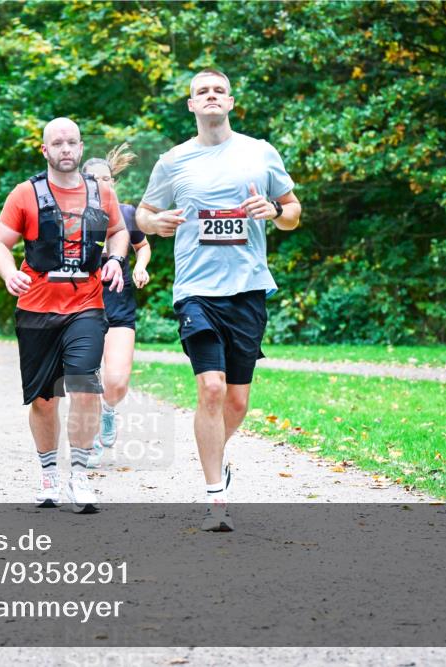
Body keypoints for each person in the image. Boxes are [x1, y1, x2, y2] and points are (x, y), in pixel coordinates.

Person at [136, 69, 302, 531]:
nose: (210, 96)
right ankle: (215, 500)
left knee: (236, 403)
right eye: (201, 92)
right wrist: (156, 224)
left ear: (231, 101)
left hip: (247, 288)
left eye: (218, 91)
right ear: (191, 105)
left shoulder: (259, 152)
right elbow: (144, 215)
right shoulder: (173, 161)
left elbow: (292, 212)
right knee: (210, 388)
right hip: (195, 292)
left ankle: (216, 455)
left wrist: (274, 212)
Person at [0, 117, 129, 513]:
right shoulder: (25, 194)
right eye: (57, 143)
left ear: (80, 148)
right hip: (36, 307)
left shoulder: (102, 193)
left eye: (72, 142)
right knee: (45, 400)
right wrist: (9, 271)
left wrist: (116, 258)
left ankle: (80, 475)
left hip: (87, 303)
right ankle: (49, 473)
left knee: (85, 384)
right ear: (45, 150)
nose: (65, 149)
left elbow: (119, 232)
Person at [80, 144, 152, 467]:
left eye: (107, 179)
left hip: (119, 302)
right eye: (94, 180)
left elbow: (144, 246)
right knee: (89, 376)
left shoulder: (127, 213)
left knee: (117, 381)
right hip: (85, 303)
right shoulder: (74, 217)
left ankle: (109, 410)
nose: (102, 184)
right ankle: (91, 436)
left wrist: (140, 266)